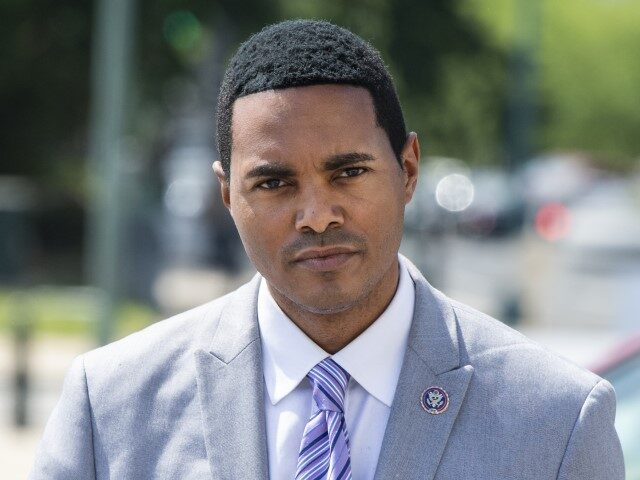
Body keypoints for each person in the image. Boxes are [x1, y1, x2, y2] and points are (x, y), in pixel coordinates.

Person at [31, 19, 624, 480]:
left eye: (348, 172)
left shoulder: (557, 420)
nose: (316, 216)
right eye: (273, 182)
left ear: (408, 169)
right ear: (225, 195)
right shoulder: (110, 406)